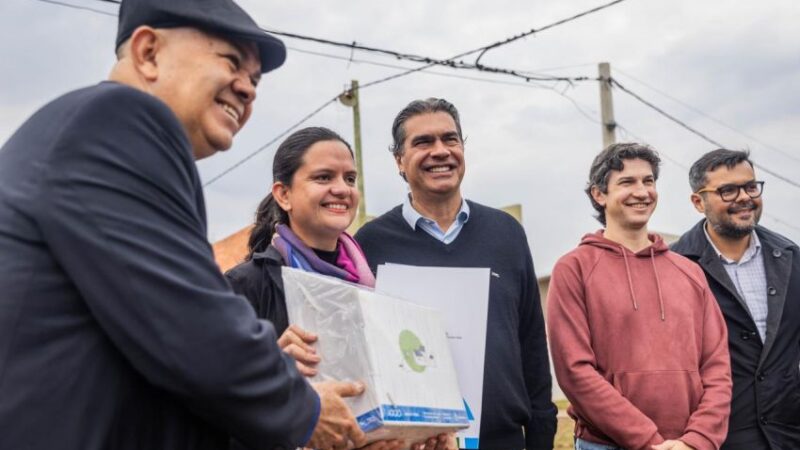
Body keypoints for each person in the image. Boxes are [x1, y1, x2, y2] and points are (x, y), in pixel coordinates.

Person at [0, 1, 365, 449]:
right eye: (232, 63)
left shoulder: (108, 131)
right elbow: (187, 320)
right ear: (149, 52)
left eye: (255, 80)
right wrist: (304, 410)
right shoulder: (119, 120)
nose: (248, 90)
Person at [226, 126, 453, 450]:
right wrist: (271, 375)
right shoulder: (245, 287)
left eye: (349, 178)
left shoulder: (373, 290)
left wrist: (417, 435)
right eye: (323, 177)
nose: (341, 189)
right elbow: (217, 412)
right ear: (283, 194)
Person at [354, 98, 557, 450]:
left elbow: (532, 345)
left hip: (502, 441)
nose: (440, 151)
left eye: (450, 139)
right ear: (399, 161)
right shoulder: (370, 244)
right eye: (422, 142)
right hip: (411, 444)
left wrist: (540, 437)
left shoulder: (506, 233)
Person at [546, 143, 732, 450]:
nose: (642, 191)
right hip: (605, 444)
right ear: (599, 194)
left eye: (648, 181)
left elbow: (717, 366)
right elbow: (575, 372)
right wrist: (647, 441)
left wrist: (697, 440)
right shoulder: (574, 269)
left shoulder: (689, 271)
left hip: (688, 444)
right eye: (627, 182)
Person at [671, 149, 800, 450]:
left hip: (788, 436)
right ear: (697, 202)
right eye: (727, 190)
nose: (744, 197)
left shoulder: (791, 258)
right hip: (716, 439)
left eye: (751, 186)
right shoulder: (675, 267)